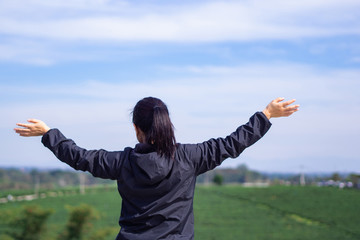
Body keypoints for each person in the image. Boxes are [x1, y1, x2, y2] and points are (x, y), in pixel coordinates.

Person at [14, 97, 299, 240]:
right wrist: (267, 115)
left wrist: (47, 133)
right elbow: (233, 143)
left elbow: (79, 156)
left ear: (136, 129)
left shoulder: (120, 162)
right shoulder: (191, 157)